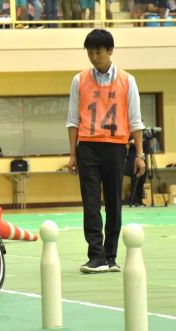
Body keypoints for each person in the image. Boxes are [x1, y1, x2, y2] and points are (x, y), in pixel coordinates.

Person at [66, 29, 146, 274]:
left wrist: (140, 154)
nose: (94, 57)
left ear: (110, 51)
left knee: (114, 203)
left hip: (115, 148)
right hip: (87, 147)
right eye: (89, 52)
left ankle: (111, 257)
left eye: (98, 52)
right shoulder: (79, 80)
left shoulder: (126, 80)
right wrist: (72, 154)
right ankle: (96, 256)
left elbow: (136, 120)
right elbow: (72, 120)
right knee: (90, 203)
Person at [124, 135, 147, 206]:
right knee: (135, 179)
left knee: (142, 180)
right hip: (132, 159)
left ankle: (139, 200)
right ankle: (133, 200)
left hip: (142, 158)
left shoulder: (143, 132)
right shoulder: (131, 133)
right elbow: (129, 142)